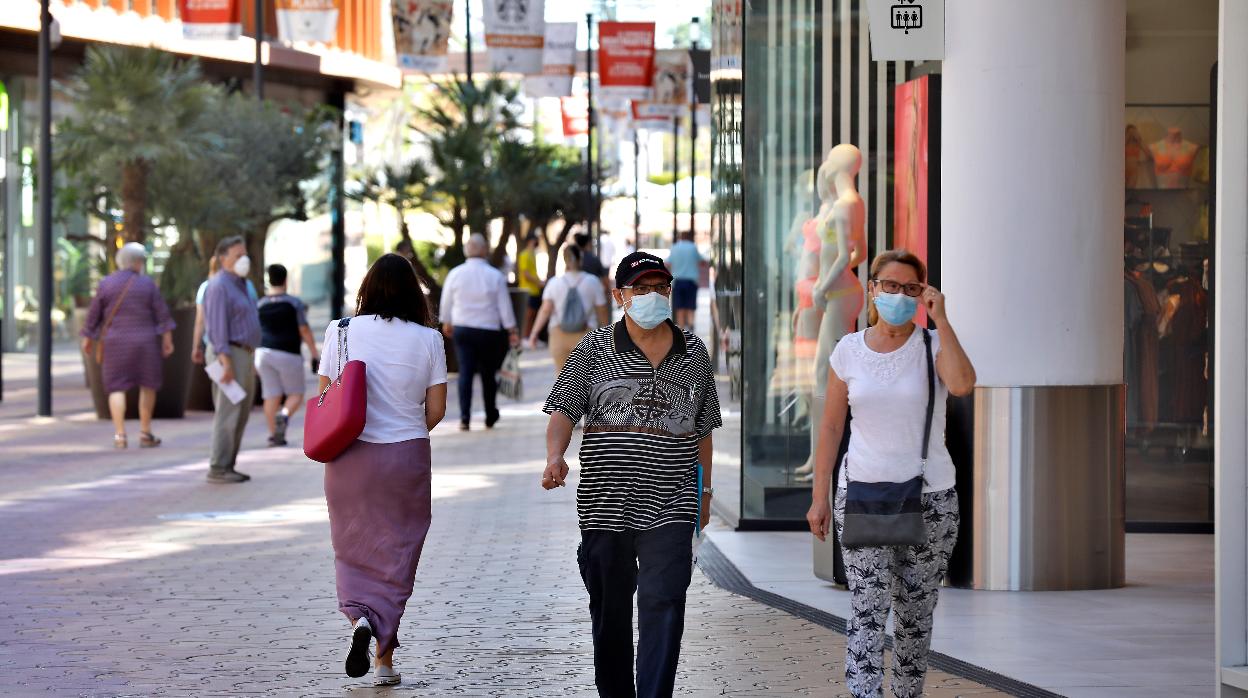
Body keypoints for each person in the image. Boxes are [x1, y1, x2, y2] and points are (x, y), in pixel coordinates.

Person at [540, 251, 722, 698]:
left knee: (664, 602)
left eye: (661, 287)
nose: (653, 296)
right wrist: (554, 456)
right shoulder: (594, 348)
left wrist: (706, 492)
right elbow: (564, 410)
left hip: (672, 499)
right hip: (605, 501)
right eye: (641, 288)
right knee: (611, 611)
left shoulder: (693, 351)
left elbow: (703, 429)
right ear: (619, 295)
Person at [805, 250, 976, 698]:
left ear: (923, 294)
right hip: (862, 492)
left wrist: (943, 321)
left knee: (915, 615)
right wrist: (819, 496)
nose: (899, 295)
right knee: (867, 607)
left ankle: (905, 694)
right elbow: (830, 426)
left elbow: (961, 384)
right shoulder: (848, 350)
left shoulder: (934, 345)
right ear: (872, 289)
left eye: (911, 288)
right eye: (891, 286)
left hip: (930, 497)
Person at [319, 253, 447, 688]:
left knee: (353, 547)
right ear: (415, 292)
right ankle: (384, 660)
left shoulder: (340, 332)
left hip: (349, 457)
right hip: (405, 456)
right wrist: (406, 427)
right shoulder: (429, 339)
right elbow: (437, 410)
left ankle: (360, 618)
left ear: (366, 289)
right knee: (397, 550)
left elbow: (326, 399)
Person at [79, 242, 176, 449]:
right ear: (138, 262)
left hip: (115, 343)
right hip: (145, 342)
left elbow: (93, 315)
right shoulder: (147, 284)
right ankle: (145, 431)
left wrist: (87, 338)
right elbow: (162, 314)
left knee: (115, 388)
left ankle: (120, 434)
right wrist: (167, 339)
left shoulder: (106, 284)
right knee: (148, 385)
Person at [439, 234, 519, 431]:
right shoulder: (495, 275)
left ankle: (465, 417)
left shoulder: (455, 274)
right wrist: (511, 329)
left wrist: (446, 321)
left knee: (465, 372)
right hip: (488, 330)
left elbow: (446, 301)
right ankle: (490, 414)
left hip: (463, 328)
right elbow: (504, 306)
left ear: (467, 251)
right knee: (487, 373)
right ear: (484, 250)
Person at [202, 236, 262, 484]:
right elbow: (216, 328)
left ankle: (228, 464)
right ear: (223, 258)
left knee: (241, 411)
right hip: (228, 355)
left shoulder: (241, 284)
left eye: (244, 254)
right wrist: (225, 361)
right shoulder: (218, 286)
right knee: (228, 411)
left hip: (243, 354)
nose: (244, 259)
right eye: (238, 255)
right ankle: (219, 466)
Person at [255, 264, 320, 447]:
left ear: (270, 280)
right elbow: (304, 329)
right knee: (296, 394)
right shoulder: (294, 303)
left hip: (263, 353)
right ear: (285, 279)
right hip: (288, 353)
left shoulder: (260, 304)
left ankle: (274, 435)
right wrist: (314, 353)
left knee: (270, 395)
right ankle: (283, 416)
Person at [526, 246, 609, 372]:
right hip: (585, 335)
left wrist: (534, 334)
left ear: (564, 260)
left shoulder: (554, 283)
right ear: (580, 260)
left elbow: (545, 310)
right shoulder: (592, 282)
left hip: (558, 336)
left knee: (563, 381)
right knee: (584, 379)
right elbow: (601, 310)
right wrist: (606, 335)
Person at [192, 255, 258, 366]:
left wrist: (196, 346)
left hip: (215, 347)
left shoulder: (205, 287)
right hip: (241, 347)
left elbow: (200, 321)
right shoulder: (246, 286)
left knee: (220, 383)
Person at [666, 231, 705, 332]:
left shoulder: (674, 247)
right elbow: (702, 261)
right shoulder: (693, 247)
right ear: (690, 237)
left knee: (679, 308)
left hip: (677, 282)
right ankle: (691, 327)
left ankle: (681, 330)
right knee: (690, 307)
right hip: (691, 281)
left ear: (680, 237)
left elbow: (667, 262)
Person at [517, 233, 544, 337]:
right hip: (527, 290)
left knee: (533, 315)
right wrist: (539, 282)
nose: (536, 243)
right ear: (530, 241)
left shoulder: (533, 254)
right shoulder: (524, 255)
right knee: (528, 316)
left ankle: (530, 337)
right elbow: (526, 274)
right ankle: (525, 337)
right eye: (534, 240)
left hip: (534, 290)